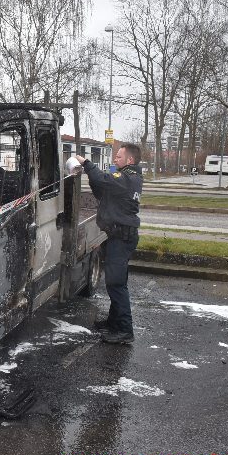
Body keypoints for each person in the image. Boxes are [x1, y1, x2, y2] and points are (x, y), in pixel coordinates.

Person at [74, 143, 143, 344]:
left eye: (119, 157)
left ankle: (124, 331)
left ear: (129, 160)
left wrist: (86, 163)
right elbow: (103, 190)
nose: (115, 159)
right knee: (115, 282)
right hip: (120, 236)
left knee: (116, 284)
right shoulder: (129, 178)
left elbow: (104, 179)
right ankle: (114, 323)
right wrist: (90, 174)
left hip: (122, 238)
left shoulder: (127, 178)